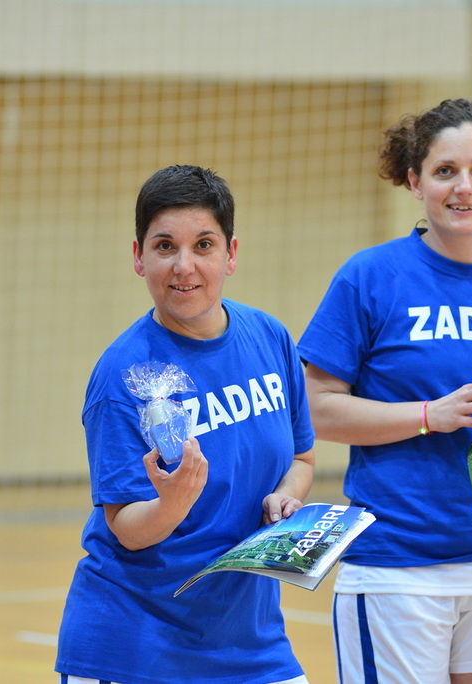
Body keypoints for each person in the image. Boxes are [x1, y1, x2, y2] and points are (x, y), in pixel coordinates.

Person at [298, 98, 472, 684]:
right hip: (400, 564)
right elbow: (316, 410)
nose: (463, 187)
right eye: (445, 171)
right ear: (414, 180)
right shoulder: (369, 276)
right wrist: (432, 414)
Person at [56, 164, 316, 684]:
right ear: (138, 257)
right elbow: (126, 529)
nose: (184, 266)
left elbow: (302, 458)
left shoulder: (270, 338)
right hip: (137, 647)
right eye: (164, 246)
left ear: (231, 254)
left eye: (203, 245)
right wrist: (171, 505)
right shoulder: (123, 375)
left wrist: (286, 496)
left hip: (250, 641)